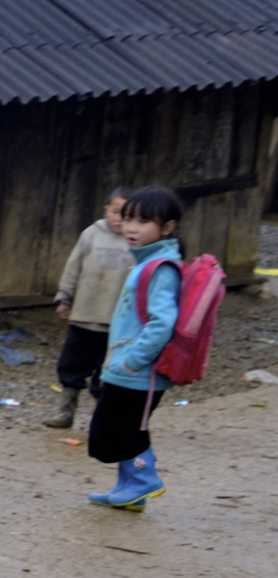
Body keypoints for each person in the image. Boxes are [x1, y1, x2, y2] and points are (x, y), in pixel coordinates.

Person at [86, 185, 183, 511]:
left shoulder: (162, 267)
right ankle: (130, 489)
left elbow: (162, 323)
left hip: (141, 373)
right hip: (127, 369)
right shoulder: (146, 262)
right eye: (128, 219)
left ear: (167, 227)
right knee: (113, 425)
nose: (131, 228)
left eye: (142, 222)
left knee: (126, 429)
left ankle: (144, 481)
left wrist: (133, 361)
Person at [46, 188, 131, 428]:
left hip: (115, 323)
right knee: (72, 365)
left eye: (127, 215)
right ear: (106, 209)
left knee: (107, 373)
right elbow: (73, 268)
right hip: (84, 316)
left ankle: (99, 419)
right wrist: (65, 298)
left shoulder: (135, 242)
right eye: (115, 212)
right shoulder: (91, 234)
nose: (119, 219)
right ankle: (66, 411)